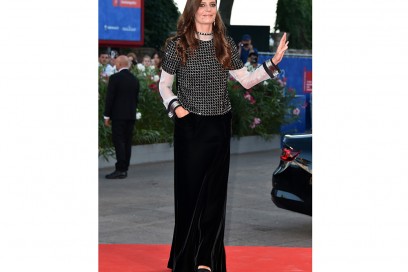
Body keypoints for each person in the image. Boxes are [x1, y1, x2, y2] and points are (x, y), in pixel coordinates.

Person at [158, 0, 288, 271]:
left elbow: (246, 80)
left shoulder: (225, 42)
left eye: (212, 4)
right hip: (190, 125)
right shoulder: (178, 44)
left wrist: (273, 63)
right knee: (189, 193)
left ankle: (206, 259)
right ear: (192, 9)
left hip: (219, 125)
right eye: (202, 4)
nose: (208, 9)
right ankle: (184, 258)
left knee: (214, 195)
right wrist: (177, 108)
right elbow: (164, 85)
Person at [104, 55, 140, 179]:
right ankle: (124, 169)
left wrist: (106, 116)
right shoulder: (134, 79)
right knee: (127, 142)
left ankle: (120, 169)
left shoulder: (114, 78)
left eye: (116, 62)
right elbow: (136, 99)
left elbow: (110, 98)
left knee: (119, 142)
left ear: (119, 64)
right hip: (131, 115)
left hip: (118, 116)